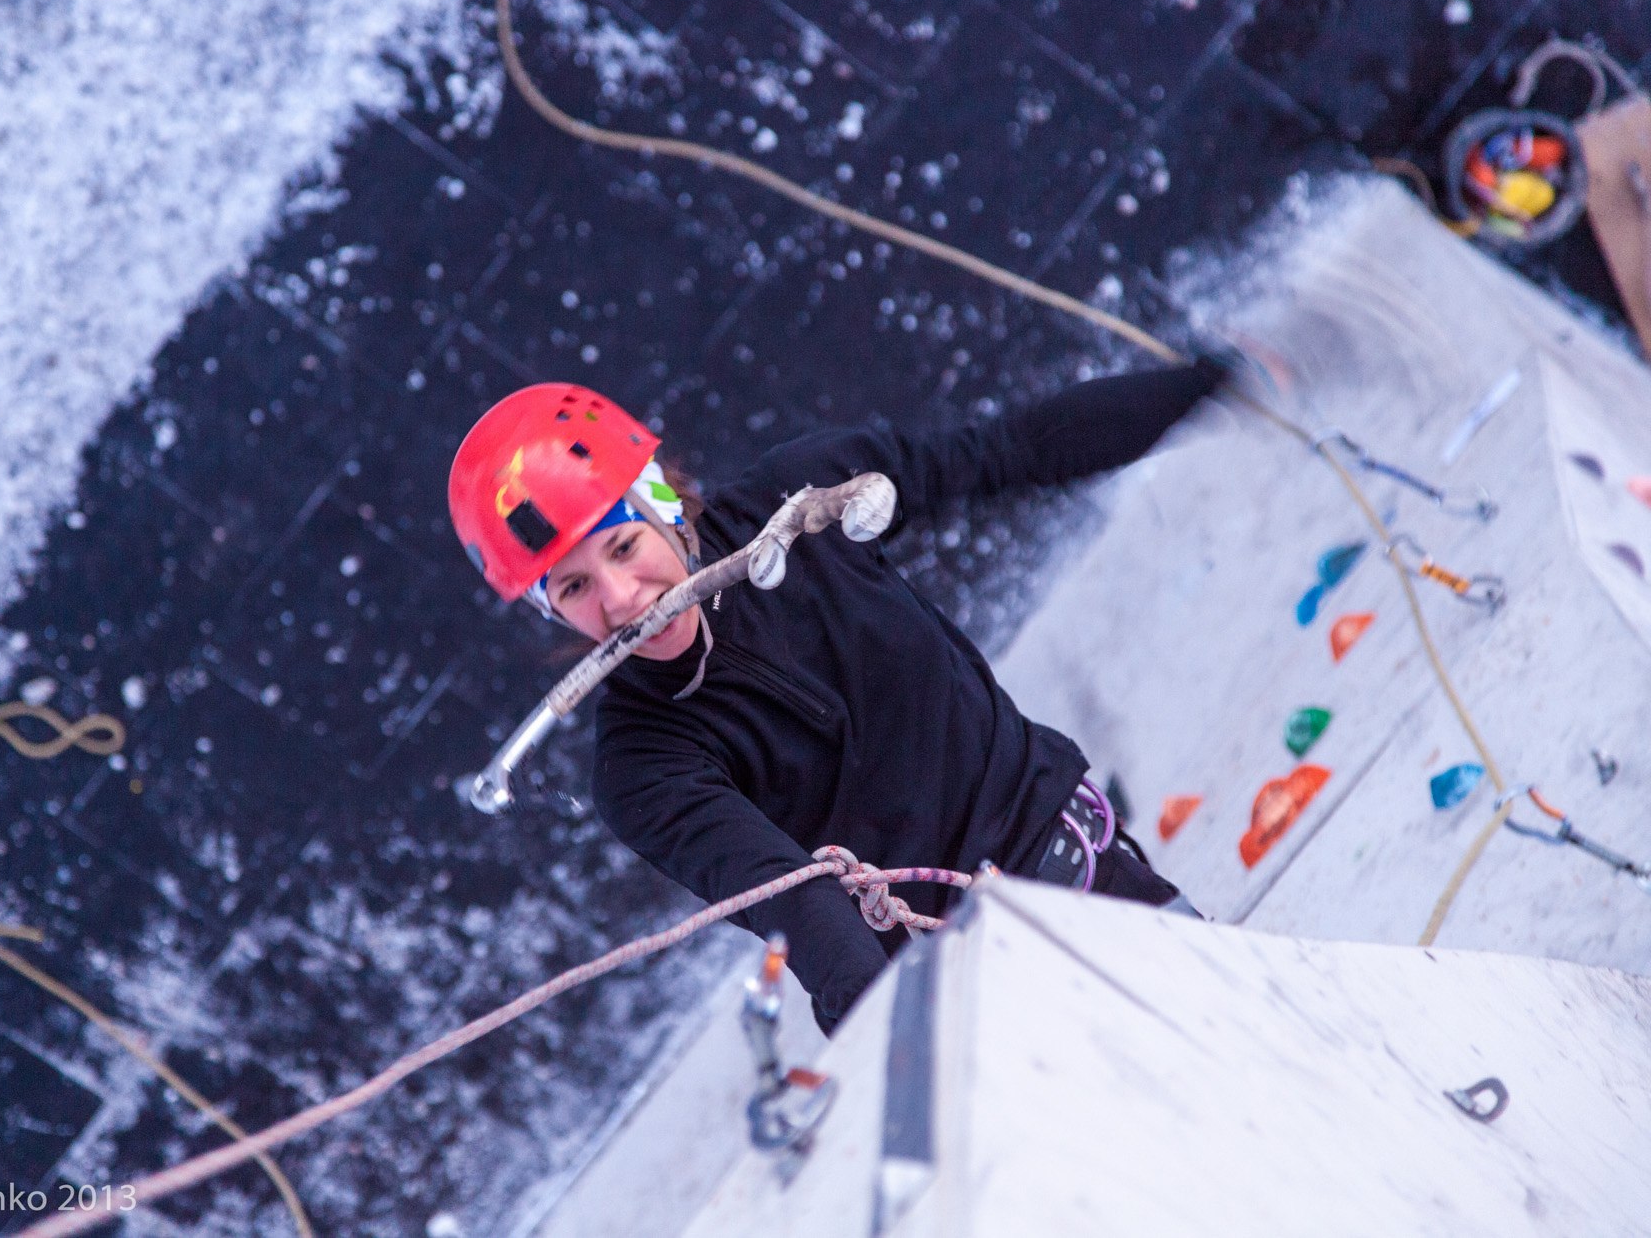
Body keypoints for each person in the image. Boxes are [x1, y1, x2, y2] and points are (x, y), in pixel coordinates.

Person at [447, 363, 1225, 1033]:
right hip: (947, 991)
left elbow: (1010, 451)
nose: (620, 599)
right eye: (574, 587)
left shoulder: (806, 500)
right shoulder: (641, 769)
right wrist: (887, 1025)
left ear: (664, 503)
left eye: (624, 545)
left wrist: (1215, 384)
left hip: (1076, 867)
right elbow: (801, 903)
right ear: (549, 610)